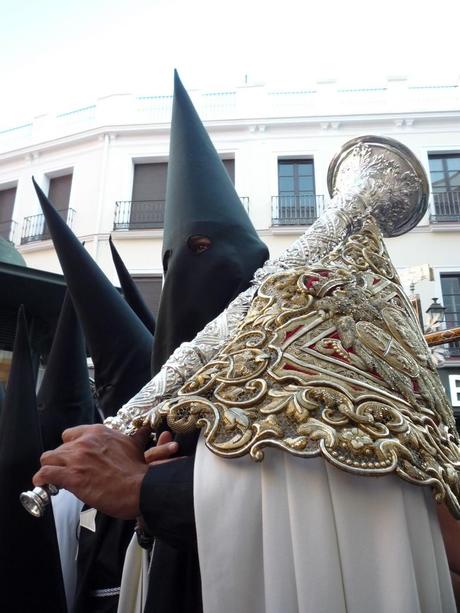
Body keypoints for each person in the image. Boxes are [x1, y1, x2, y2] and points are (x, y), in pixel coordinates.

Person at [33, 139, 460, 611]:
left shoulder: (318, 354)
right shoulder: (186, 386)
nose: (199, 272)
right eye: (180, 258)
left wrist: (147, 491)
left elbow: (359, 503)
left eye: (208, 251)